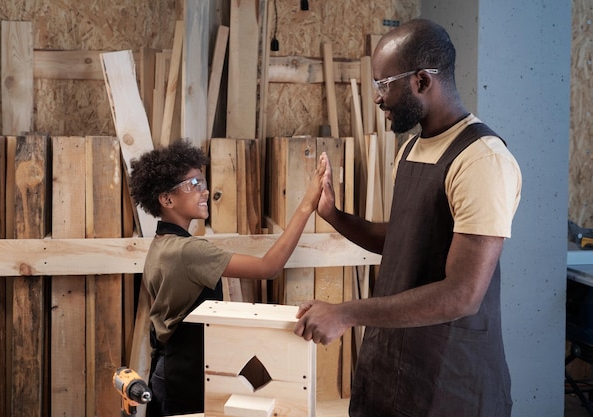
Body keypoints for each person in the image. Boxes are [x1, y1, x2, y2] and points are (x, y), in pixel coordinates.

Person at [293, 18, 522, 417]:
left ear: (421, 81)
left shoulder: (482, 160)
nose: (378, 98)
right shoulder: (412, 149)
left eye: (385, 84)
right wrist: (334, 215)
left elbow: (462, 294)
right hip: (393, 364)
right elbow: (403, 241)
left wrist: (346, 312)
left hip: (450, 379)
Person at [129, 139, 325, 416]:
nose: (205, 190)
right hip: (186, 375)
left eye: (203, 182)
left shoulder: (161, 244)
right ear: (167, 199)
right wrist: (307, 205)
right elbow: (268, 268)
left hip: (168, 369)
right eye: (193, 184)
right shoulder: (188, 251)